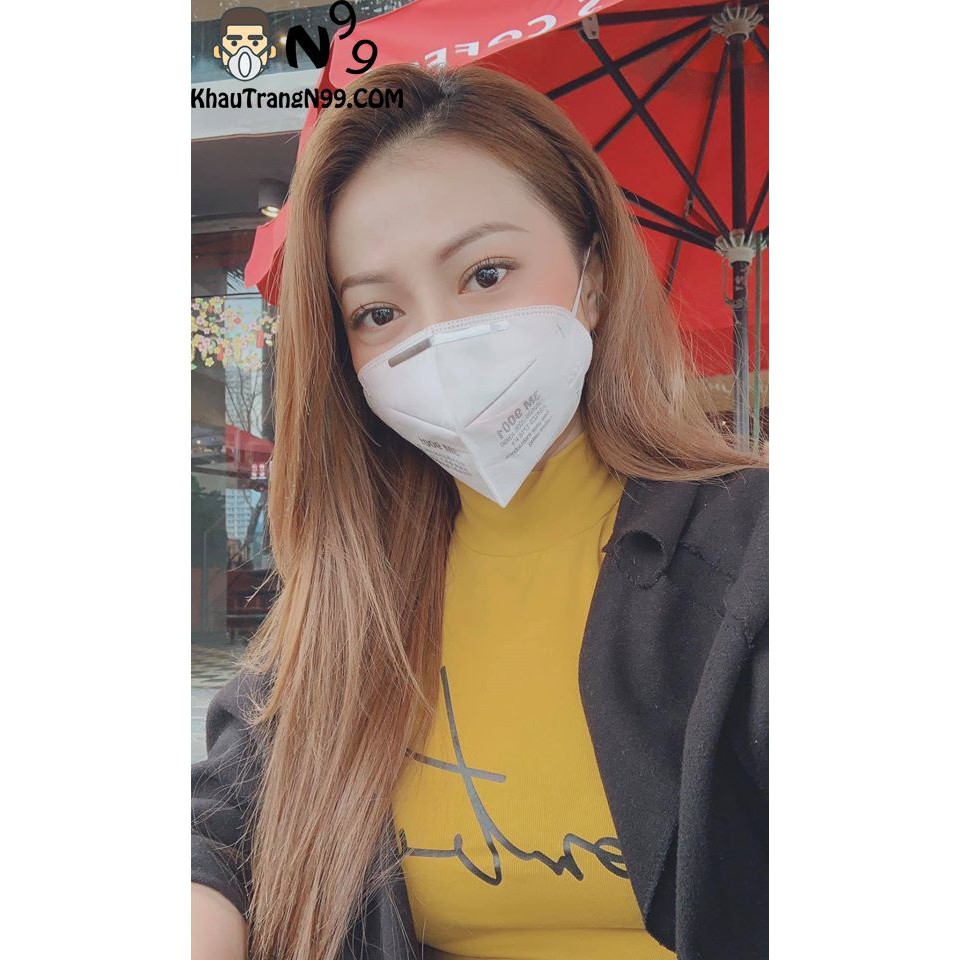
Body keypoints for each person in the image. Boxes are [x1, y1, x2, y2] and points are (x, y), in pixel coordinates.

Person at [192, 62, 768, 960]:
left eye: (486, 273)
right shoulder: (355, 598)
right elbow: (221, 824)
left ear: (594, 277)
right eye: (378, 312)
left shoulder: (758, 554)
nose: (440, 340)